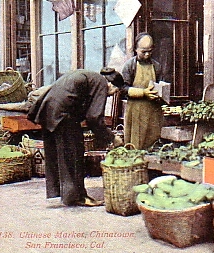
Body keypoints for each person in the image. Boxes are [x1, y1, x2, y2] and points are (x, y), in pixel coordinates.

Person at [27, 69, 124, 207]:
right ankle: (78, 197)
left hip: (48, 110)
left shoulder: (91, 76)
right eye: (114, 92)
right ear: (113, 86)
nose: (110, 96)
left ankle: (61, 192)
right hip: (63, 115)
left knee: (58, 155)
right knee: (74, 154)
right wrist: (112, 138)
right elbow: (94, 118)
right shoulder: (102, 83)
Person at [112, 32, 166, 150]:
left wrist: (159, 95)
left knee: (152, 143)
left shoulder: (157, 66)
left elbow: (161, 85)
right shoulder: (130, 66)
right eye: (143, 51)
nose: (147, 54)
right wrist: (143, 93)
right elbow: (123, 88)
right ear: (136, 49)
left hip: (153, 111)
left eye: (150, 51)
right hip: (135, 111)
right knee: (136, 144)